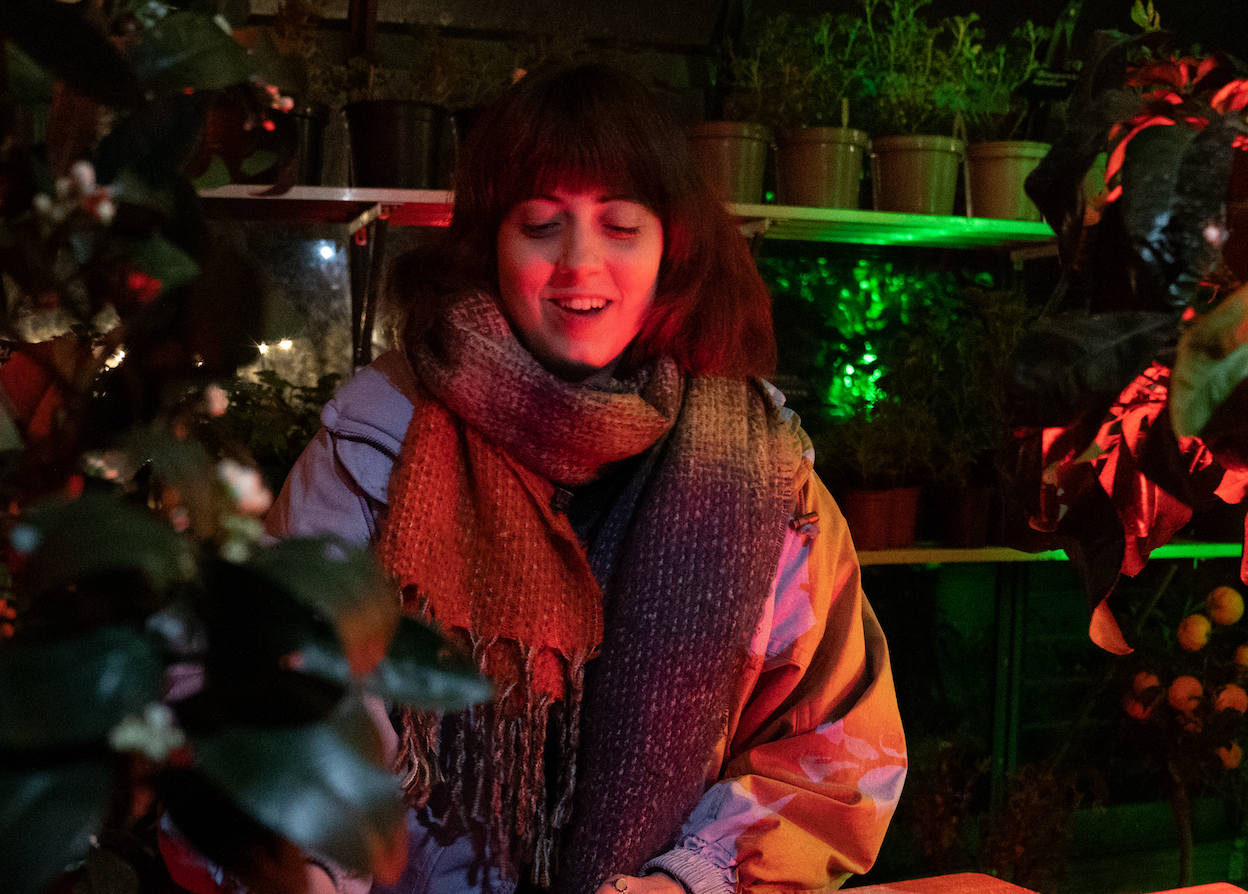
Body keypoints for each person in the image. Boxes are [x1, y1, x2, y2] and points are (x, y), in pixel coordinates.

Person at [266, 64, 905, 894]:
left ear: (671, 248)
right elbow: (275, 722)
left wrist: (691, 882)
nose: (580, 263)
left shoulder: (762, 474)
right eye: (540, 224)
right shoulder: (380, 443)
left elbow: (833, 753)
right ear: (489, 243)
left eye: (620, 226)